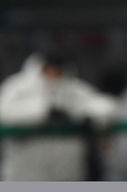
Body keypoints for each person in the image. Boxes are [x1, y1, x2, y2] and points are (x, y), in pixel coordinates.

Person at [0, 52, 116, 181]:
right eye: (49, 69)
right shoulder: (17, 86)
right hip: (25, 173)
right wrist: (45, 112)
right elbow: (4, 113)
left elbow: (107, 107)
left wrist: (82, 115)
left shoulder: (73, 88)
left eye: (57, 69)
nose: (53, 73)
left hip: (67, 174)